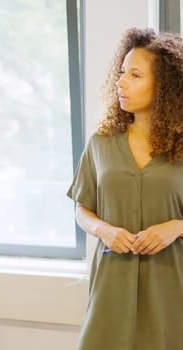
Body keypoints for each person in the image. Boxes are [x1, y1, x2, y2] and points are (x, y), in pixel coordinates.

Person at [67, 27, 183, 350]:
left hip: (172, 294)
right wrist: (104, 230)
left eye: (135, 75)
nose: (121, 83)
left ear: (165, 86)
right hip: (111, 290)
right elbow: (81, 208)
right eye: (121, 73)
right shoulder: (100, 145)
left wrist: (175, 227)